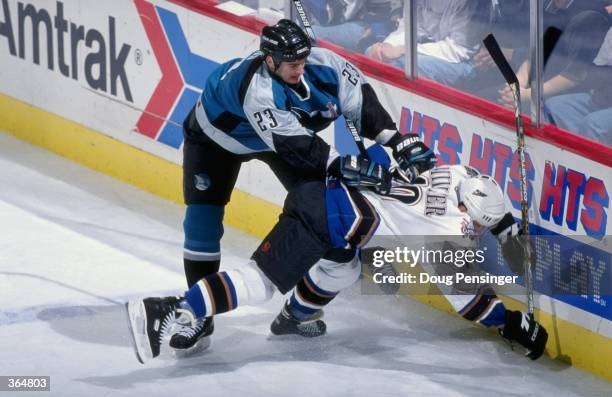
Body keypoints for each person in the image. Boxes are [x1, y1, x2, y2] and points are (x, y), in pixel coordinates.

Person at [127, 154, 548, 364]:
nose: (474, 233)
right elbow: (471, 302)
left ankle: (294, 317)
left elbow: (479, 191)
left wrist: (508, 229)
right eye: (474, 225)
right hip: (327, 218)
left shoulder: (451, 174)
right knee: (260, 281)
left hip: (327, 206)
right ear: (463, 214)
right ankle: (171, 308)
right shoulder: (444, 235)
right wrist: (512, 323)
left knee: (342, 267)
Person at [176, 18, 436, 354]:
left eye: (303, 61)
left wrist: (395, 138)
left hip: (276, 139)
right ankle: (200, 316)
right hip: (215, 141)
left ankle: (302, 310)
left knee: (328, 211)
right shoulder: (258, 91)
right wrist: (347, 165)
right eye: (292, 65)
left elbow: (361, 104)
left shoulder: (325, 65)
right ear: (270, 61)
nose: (300, 69)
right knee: (201, 224)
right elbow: (301, 149)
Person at [366, 0, 492, 88]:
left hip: (467, 63)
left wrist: (405, 50)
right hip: (430, 48)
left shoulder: (473, 2)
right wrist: (388, 46)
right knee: (372, 54)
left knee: (399, 64)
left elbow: (459, 49)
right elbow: (413, 26)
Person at [544, 26, 612, 145]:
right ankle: (568, 156)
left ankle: (589, 162)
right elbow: (598, 68)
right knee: (555, 106)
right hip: (603, 98)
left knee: (593, 124)